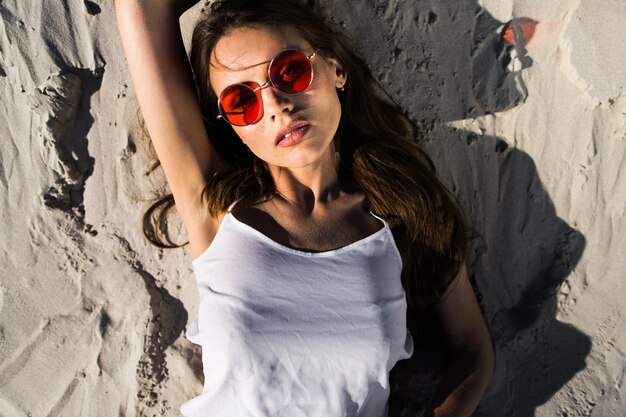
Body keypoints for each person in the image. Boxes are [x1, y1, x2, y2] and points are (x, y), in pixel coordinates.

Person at [115, 0, 494, 416]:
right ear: (233, 127)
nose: (277, 104)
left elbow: (472, 350)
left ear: (336, 69)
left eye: (290, 71)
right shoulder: (215, 208)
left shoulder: (408, 217)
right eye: (243, 102)